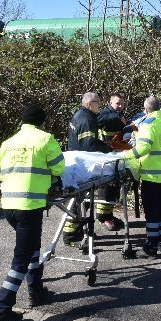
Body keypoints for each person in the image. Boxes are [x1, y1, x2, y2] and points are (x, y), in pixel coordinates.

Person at [0, 103, 65, 321]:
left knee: (32, 246)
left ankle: (36, 291)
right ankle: (2, 309)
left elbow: (1, 170)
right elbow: (59, 168)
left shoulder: (8, 143)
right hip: (29, 205)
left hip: (9, 206)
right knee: (22, 258)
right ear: (41, 121)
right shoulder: (45, 139)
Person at [122, 96, 161, 257]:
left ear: (146, 110)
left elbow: (142, 149)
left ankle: (151, 246)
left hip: (152, 174)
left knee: (152, 210)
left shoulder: (148, 124)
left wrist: (126, 155)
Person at [62, 92, 112, 246]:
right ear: (90, 104)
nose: (100, 105)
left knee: (81, 201)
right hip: (82, 165)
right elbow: (88, 145)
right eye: (98, 102)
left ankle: (78, 232)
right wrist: (106, 148)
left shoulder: (81, 115)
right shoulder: (87, 119)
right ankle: (70, 235)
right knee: (79, 202)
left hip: (76, 162)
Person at [95, 93, 128, 230]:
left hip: (116, 155)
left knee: (114, 187)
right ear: (110, 103)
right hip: (105, 156)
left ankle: (108, 214)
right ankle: (102, 217)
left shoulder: (118, 115)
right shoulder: (106, 114)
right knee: (106, 187)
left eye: (121, 104)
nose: (119, 106)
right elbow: (99, 120)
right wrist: (118, 116)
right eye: (117, 103)